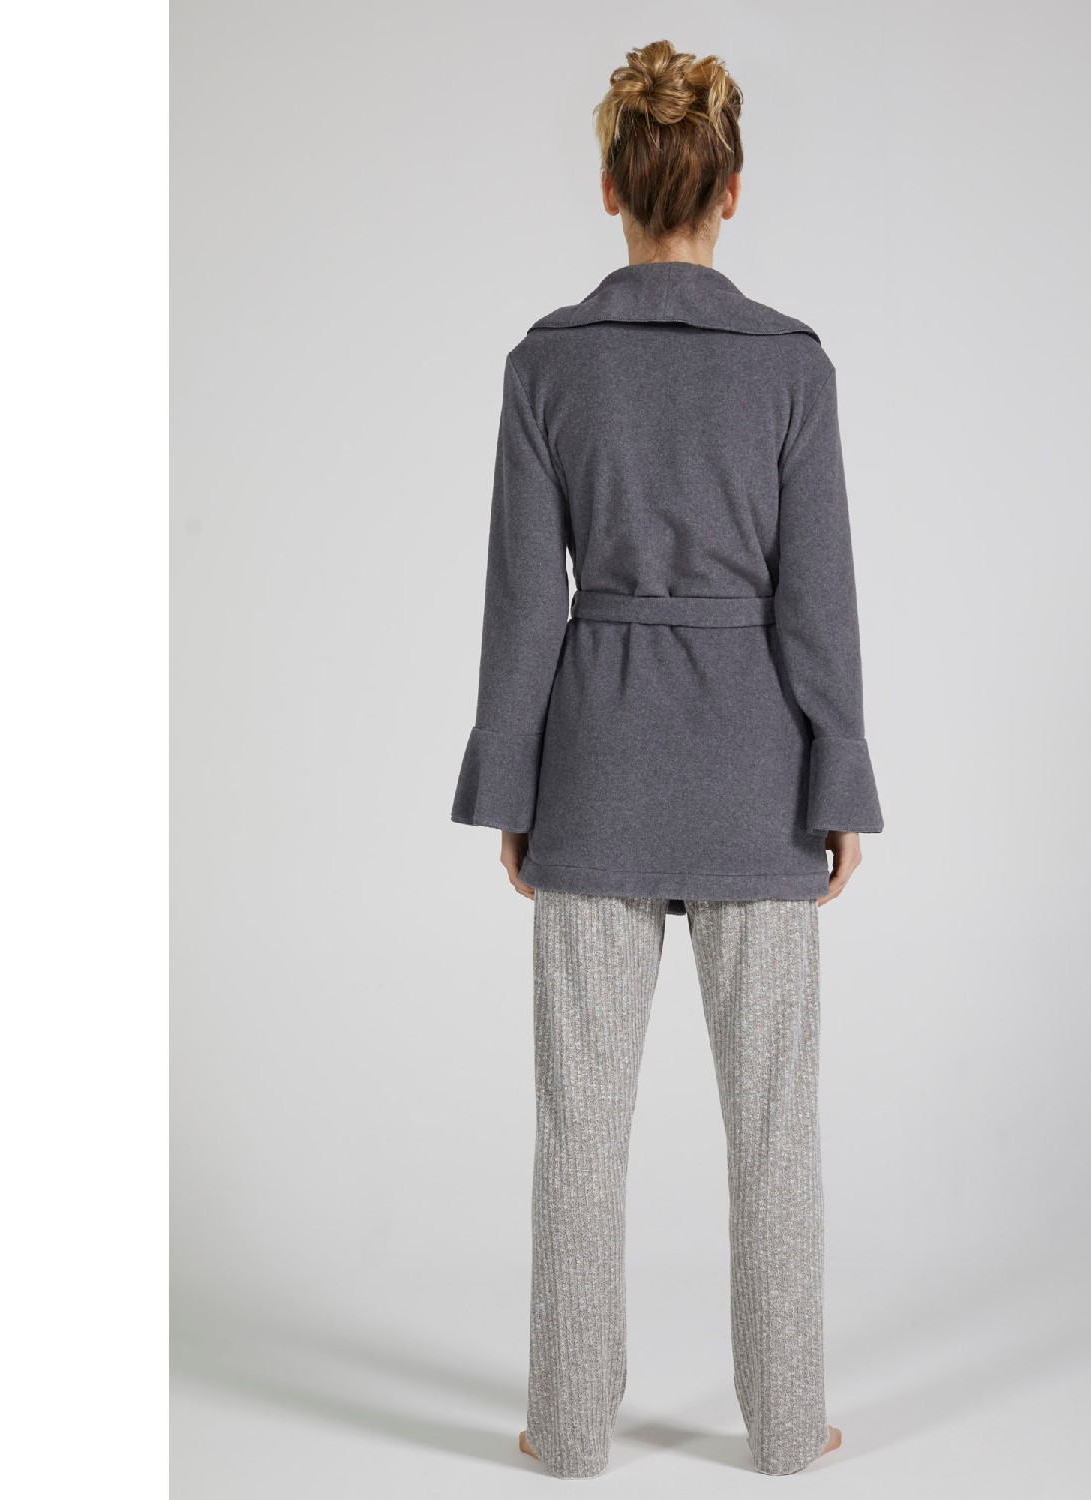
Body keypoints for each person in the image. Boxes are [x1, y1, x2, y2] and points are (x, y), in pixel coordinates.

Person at [450, 39, 884, 1479]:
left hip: (597, 766)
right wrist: (839, 777)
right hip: (760, 775)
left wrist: (511, 784)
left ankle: (571, 1427)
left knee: (580, 1129)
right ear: (731, 191)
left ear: (610, 187)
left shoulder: (547, 364)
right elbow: (819, 603)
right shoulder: (792, 366)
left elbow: (526, 606)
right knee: (775, 1131)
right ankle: (787, 1424)